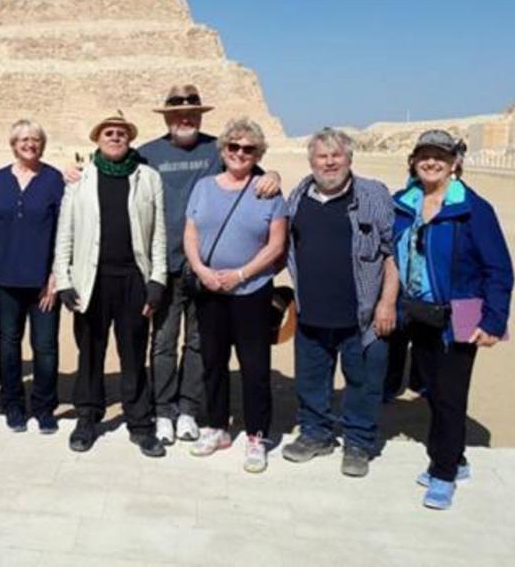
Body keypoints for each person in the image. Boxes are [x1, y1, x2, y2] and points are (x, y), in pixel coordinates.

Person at [137, 84, 281, 444]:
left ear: (200, 115)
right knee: (164, 342)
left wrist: (274, 176)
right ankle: (164, 411)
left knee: (201, 345)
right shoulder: (147, 154)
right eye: (177, 112)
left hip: (209, 273)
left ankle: (189, 409)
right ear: (167, 116)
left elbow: (256, 175)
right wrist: (74, 172)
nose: (185, 117)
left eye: (192, 112)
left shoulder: (223, 147)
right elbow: (110, 169)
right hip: (165, 265)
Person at [392, 130, 514, 510]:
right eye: (424, 155)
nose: (432, 162)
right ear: (413, 161)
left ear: (455, 162)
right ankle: (455, 457)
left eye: (440, 156)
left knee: (450, 396)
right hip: (415, 312)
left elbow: (499, 269)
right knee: (430, 389)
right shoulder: (403, 203)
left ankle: (443, 473)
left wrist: (494, 321)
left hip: (457, 315)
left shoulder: (472, 208)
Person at [281, 128, 398, 478]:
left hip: (362, 314)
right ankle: (316, 435)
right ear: (311, 160)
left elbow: (392, 252)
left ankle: (358, 443)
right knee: (310, 381)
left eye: (336, 155)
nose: (329, 162)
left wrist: (387, 302)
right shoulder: (299, 195)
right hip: (312, 312)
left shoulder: (373, 195)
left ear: (349, 158)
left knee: (363, 382)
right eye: (322, 156)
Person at [54, 113, 168, 457]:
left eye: (121, 133)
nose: (115, 137)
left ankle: (140, 424)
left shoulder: (148, 177)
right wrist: (63, 279)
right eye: (109, 133)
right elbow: (66, 233)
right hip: (91, 280)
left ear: (129, 138)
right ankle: (87, 418)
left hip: (134, 278)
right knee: (90, 353)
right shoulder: (80, 179)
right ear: (97, 139)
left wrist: (157, 280)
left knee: (133, 354)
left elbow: (158, 233)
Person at [183, 118, 287, 473]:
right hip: (210, 288)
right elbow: (191, 234)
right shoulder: (203, 188)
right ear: (223, 149)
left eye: (248, 149)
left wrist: (241, 274)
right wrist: (202, 271)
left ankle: (257, 435)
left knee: (255, 366)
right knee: (212, 361)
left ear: (258, 153)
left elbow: (276, 244)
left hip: (252, 291)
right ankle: (217, 427)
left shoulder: (268, 190)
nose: (240, 154)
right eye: (234, 147)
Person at [0, 120, 64, 433]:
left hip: (43, 282)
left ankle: (45, 407)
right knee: (8, 345)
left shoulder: (53, 179)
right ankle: (13, 405)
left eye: (36, 139)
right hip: (5, 279)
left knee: (45, 347)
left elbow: (63, 230)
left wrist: (56, 277)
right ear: (14, 143)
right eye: (24, 139)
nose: (30, 144)